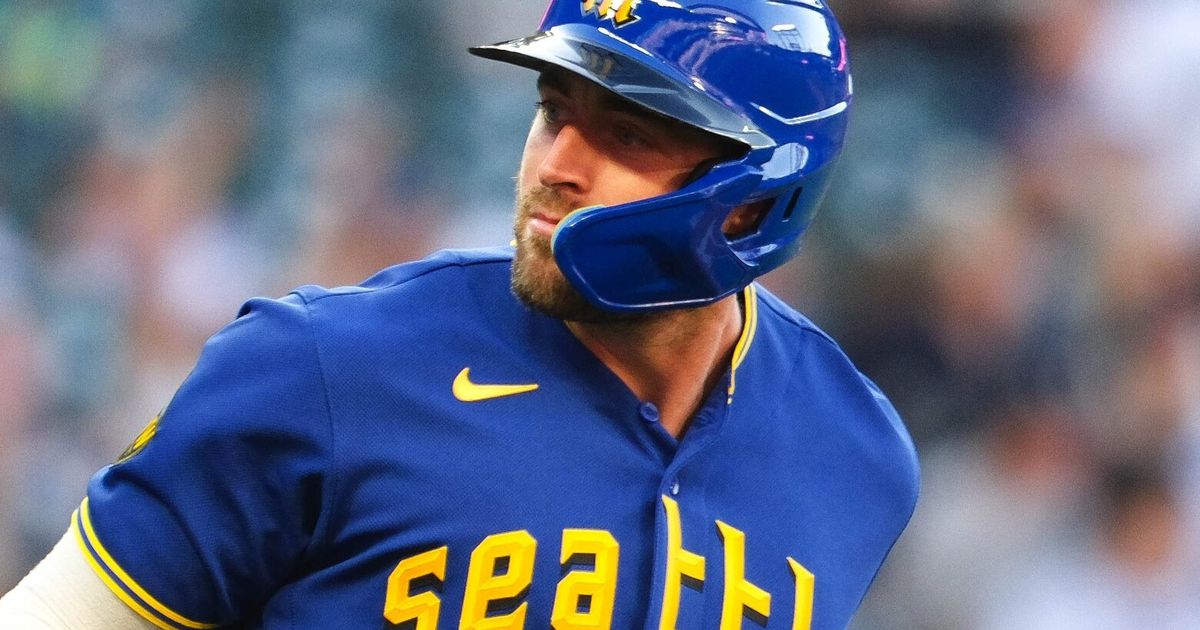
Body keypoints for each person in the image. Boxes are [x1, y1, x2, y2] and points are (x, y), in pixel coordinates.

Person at [0, 1, 919, 628]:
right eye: (554, 110)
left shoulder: (855, 454)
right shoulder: (319, 367)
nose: (556, 162)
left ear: (757, 199)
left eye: (628, 132)